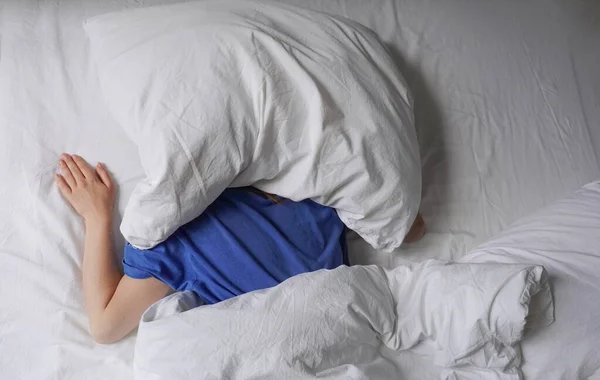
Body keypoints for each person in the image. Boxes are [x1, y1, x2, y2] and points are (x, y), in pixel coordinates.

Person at [55, 153, 425, 344]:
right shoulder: (319, 192)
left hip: (333, 329)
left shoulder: (176, 232)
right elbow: (408, 225)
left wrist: (97, 217)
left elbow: (106, 327)